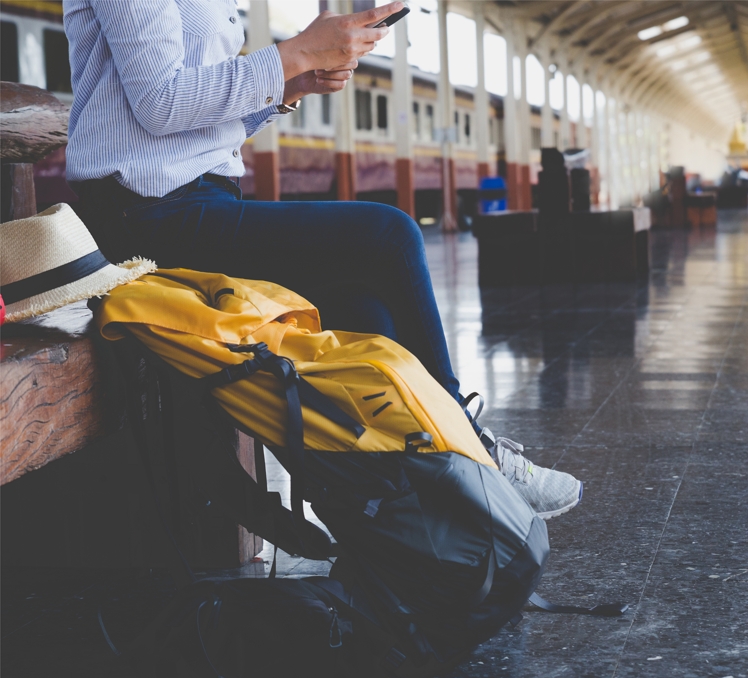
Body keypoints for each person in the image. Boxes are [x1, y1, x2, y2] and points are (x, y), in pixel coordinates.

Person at [62, 0, 581, 520]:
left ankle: (405, 516)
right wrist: (295, 52)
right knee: (390, 234)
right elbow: (161, 103)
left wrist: (292, 85)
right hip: (145, 216)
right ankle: (468, 446)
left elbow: (199, 125)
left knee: (363, 303)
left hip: (197, 202)